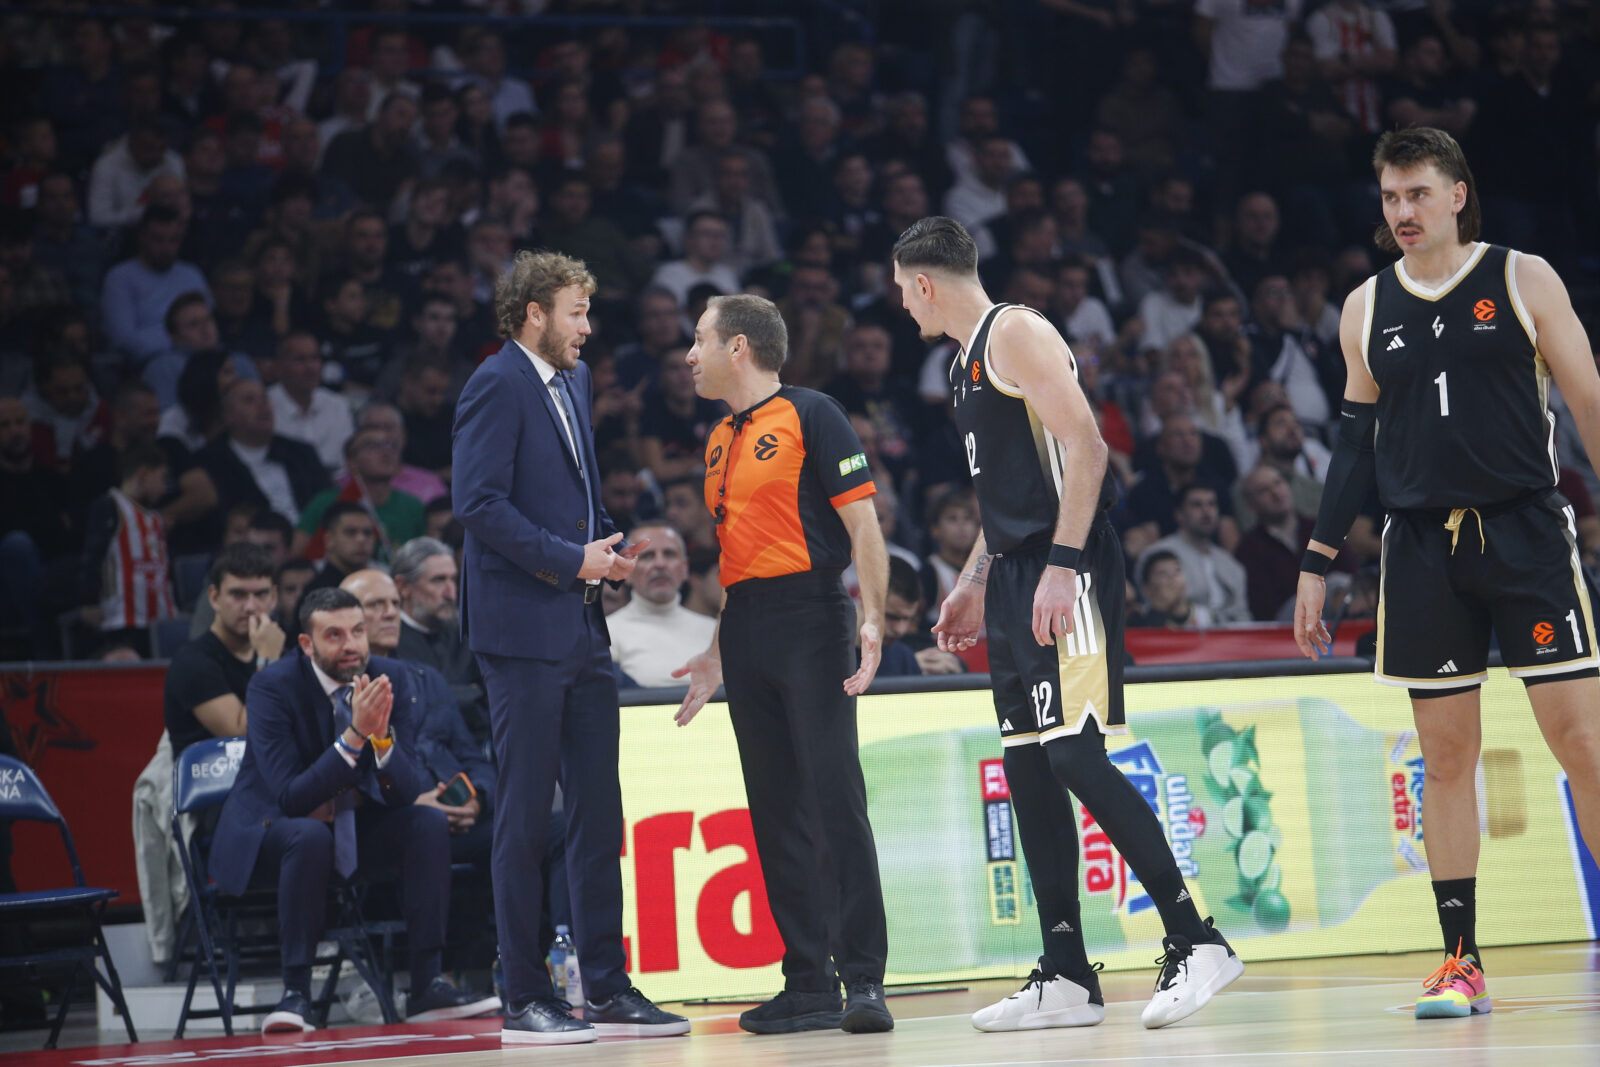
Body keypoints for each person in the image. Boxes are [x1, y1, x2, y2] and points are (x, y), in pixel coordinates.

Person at [890, 216, 1241, 1032]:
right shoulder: (961, 362)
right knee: (1028, 767)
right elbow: (1007, 490)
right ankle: (1067, 971)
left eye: (902, 291)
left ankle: (1199, 939)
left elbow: (1087, 446)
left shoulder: (1015, 332)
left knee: (1076, 752)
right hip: (1016, 574)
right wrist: (976, 579)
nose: (902, 306)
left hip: (1066, 567)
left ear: (924, 282)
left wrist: (1062, 563)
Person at [1295, 127, 1600, 1019]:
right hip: (1420, 549)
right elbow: (1354, 441)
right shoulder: (1364, 305)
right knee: (1445, 759)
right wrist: (1317, 559)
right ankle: (1460, 959)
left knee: (1581, 744)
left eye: (1418, 194)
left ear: (1458, 193)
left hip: (1527, 536)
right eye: (1390, 199)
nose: (1402, 213)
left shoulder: (1522, 276)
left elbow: (1585, 396)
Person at [453, 249, 687, 1044]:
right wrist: (566, 558)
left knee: (600, 811)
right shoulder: (495, 382)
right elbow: (477, 503)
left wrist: (602, 560)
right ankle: (522, 994)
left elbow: (571, 496)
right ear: (534, 316)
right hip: (519, 631)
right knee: (525, 816)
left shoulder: (576, 381)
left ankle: (608, 985)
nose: (588, 327)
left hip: (583, 622)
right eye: (576, 312)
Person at [672, 292, 894, 1036]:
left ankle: (862, 977)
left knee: (835, 799)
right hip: (748, 628)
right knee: (774, 811)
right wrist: (715, 652)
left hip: (812, 619)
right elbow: (737, 561)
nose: (689, 352)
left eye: (698, 338)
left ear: (739, 347)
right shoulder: (715, 439)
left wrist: (870, 617)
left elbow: (865, 525)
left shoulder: (813, 412)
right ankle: (808, 981)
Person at [208, 588, 499, 1032]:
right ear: (307, 645)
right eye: (335, 635)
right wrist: (354, 738)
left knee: (425, 821)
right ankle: (296, 995)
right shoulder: (272, 686)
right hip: (272, 830)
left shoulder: (390, 676)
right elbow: (290, 796)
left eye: (358, 632)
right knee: (308, 836)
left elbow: (405, 791)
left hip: (351, 825)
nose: (351, 645)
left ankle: (427, 985)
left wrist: (382, 740)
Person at [163, 544, 284, 756]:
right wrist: (267, 660)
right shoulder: (193, 663)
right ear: (214, 598)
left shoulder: (283, 652)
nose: (250, 607)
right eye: (238, 595)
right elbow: (242, 735)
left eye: (261, 594)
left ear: (274, 597)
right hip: (212, 784)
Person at [77, 445, 178, 654]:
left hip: (159, 621)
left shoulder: (155, 518)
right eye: (161, 478)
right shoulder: (109, 506)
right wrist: (89, 601)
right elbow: (92, 558)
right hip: (122, 621)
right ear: (144, 474)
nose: (163, 487)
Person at [391, 536, 489, 746]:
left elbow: (491, 697)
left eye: (453, 579)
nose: (451, 593)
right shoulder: (389, 640)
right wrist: (470, 693)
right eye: (438, 580)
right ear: (403, 586)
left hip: (478, 747)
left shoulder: (469, 631)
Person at [606, 523, 715, 687]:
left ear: (685, 568)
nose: (660, 564)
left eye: (669, 554)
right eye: (647, 556)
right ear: (626, 571)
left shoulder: (714, 631)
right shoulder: (607, 633)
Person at [1139, 483, 1251, 624]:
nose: (1206, 511)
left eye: (1212, 504)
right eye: (1197, 505)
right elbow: (1151, 608)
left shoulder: (1231, 565)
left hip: (1232, 640)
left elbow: (1243, 616)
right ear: (1179, 515)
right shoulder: (1157, 555)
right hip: (1177, 637)